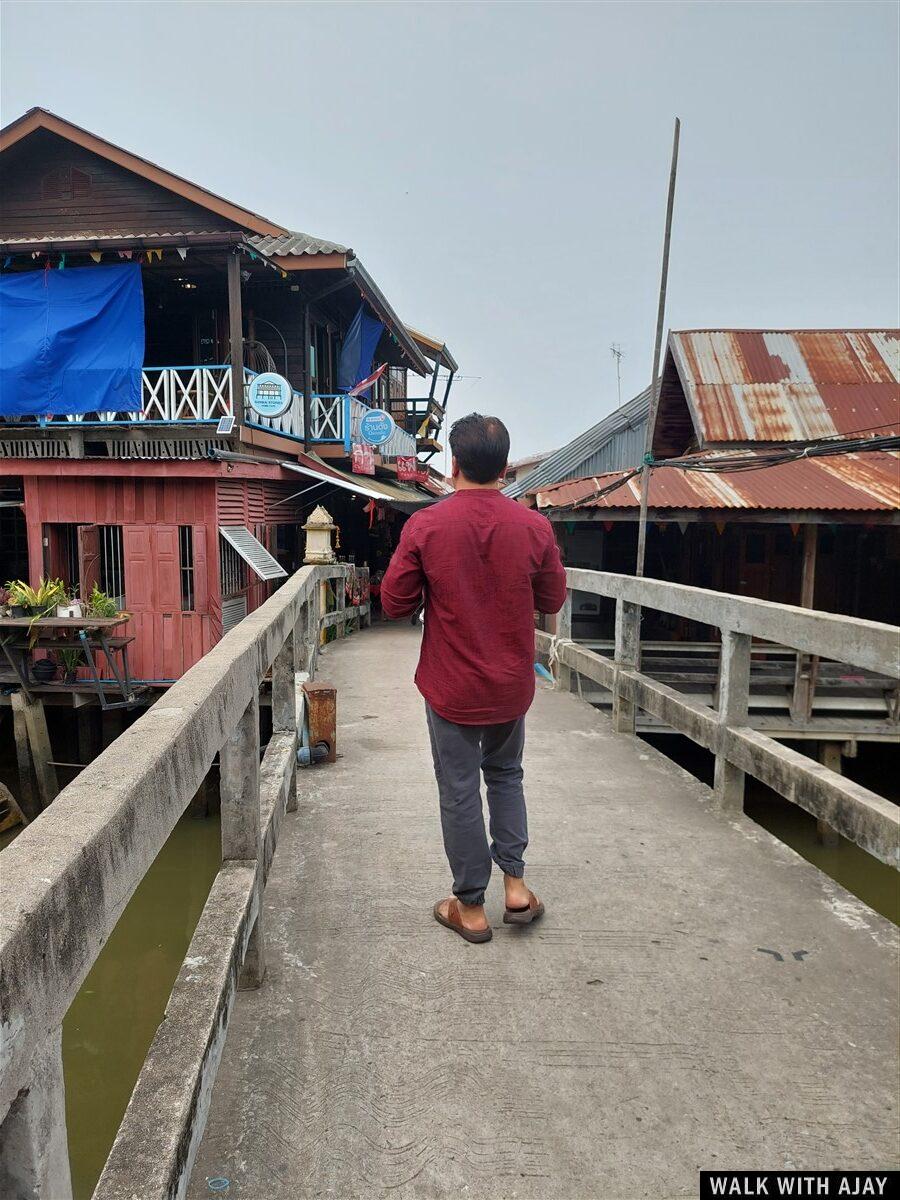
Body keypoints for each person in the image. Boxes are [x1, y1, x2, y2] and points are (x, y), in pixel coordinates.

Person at [381, 413, 567, 943]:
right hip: (510, 684)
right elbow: (552, 598)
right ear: (505, 469)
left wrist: (434, 593)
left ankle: (470, 907)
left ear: (455, 465)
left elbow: (394, 603)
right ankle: (515, 886)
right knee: (506, 776)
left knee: (460, 789)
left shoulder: (426, 526)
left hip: (451, 685)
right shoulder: (534, 527)